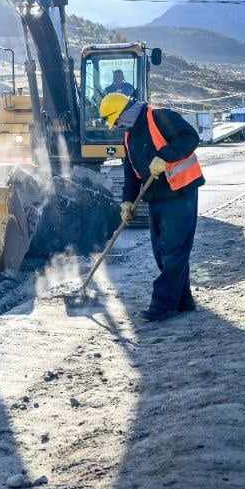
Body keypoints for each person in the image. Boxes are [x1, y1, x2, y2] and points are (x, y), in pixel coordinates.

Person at [99, 91, 204, 323]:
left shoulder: (159, 116)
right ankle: (183, 300)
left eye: (116, 121)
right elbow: (131, 174)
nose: (115, 126)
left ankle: (162, 305)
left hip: (181, 192)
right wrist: (127, 201)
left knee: (173, 250)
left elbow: (190, 137)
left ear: (124, 112)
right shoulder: (128, 136)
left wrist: (165, 156)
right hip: (157, 197)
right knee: (161, 253)